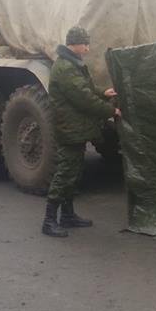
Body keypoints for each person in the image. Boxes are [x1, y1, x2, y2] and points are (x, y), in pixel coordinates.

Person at [41, 25, 119, 238]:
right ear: (73, 44)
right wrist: (111, 110)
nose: (87, 47)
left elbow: (85, 89)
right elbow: (83, 99)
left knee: (73, 173)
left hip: (76, 128)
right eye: (84, 43)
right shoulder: (66, 68)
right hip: (70, 129)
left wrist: (103, 92)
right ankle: (49, 221)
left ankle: (67, 215)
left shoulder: (72, 64)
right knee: (65, 173)